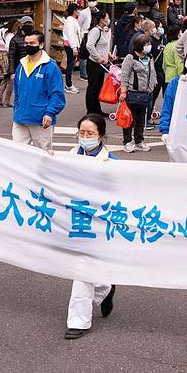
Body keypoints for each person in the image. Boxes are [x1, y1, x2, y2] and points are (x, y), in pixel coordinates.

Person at [64, 113, 118, 339]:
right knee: (83, 267)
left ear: (101, 136)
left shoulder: (111, 162)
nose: (84, 137)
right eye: (81, 133)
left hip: (98, 222)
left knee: (82, 269)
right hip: (75, 219)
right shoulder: (69, 155)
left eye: (90, 134)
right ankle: (105, 287)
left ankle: (78, 321)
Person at [12, 30, 66, 151]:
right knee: (17, 153)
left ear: (41, 45)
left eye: (32, 43)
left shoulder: (50, 67)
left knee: (43, 154)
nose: (28, 46)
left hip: (41, 120)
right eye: (26, 43)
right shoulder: (21, 65)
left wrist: (50, 113)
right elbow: (17, 91)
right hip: (21, 118)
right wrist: (16, 109)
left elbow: (57, 94)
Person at [119, 34, 157, 153]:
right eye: (146, 45)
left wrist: (152, 86)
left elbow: (152, 72)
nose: (149, 47)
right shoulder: (130, 58)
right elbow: (124, 75)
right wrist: (123, 91)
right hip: (132, 92)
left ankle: (139, 141)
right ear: (140, 46)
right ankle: (127, 141)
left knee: (141, 118)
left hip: (146, 93)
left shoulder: (149, 57)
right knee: (129, 118)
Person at [84, 11, 112, 115]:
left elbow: (103, 46)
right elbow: (89, 45)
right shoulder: (95, 31)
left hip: (102, 64)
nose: (108, 20)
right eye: (107, 18)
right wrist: (97, 57)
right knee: (93, 87)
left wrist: (108, 55)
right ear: (101, 19)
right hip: (94, 64)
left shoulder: (104, 31)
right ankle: (91, 110)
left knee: (98, 87)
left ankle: (97, 109)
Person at [0, 19, 18, 107]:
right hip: (6, 55)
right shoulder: (10, 35)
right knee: (9, 77)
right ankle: (6, 100)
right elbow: (8, 46)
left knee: (6, 77)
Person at [61, 5, 84, 94]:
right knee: (70, 66)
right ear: (74, 11)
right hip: (71, 45)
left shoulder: (73, 20)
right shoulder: (70, 21)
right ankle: (68, 85)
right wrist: (74, 47)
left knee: (71, 65)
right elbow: (71, 34)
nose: (79, 11)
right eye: (78, 10)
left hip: (71, 45)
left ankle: (69, 84)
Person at [78, 0, 98, 80]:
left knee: (93, 53)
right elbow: (79, 24)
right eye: (90, 1)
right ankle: (83, 73)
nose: (92, 2)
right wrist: (80, 36)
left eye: (93, 1)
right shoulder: (83, 12)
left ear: (97, 2)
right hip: (85, 34)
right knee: (84, 54)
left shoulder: (98, 12)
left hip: (95, 34)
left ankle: (91, 72)